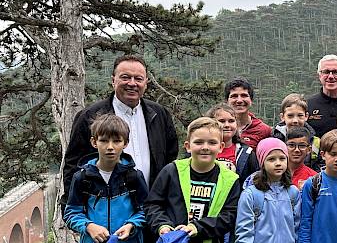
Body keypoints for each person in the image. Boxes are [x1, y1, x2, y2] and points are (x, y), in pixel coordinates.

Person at [63, 55, 178, 198]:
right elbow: (73, 165)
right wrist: (73, 211)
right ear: (113, 80)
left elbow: (170, 160)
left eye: (138, 79)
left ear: (146, 83)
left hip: (152, 208)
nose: (132, 83)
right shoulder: (90, 116)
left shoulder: (159, 114)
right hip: (104, 209)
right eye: (125, 77)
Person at [145, 117, 241, 243]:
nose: (205, 147)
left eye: (212, 143)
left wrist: (198, 227)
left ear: (221, 147)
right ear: (188, 146)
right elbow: (152, 204)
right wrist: (162, 225)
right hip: (172, 239)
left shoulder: (230, 180)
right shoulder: (171, 171)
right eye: (198, 142)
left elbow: (229, 215)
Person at [64, 114, 148, 243]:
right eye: (103, 140)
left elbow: (146, 210)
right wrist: (88, 226)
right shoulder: (82, 177)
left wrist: (131, 225)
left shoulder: (134, 176)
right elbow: (71, 213)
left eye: (116, 141)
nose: (110, 147)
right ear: (94, 142)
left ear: (125, 143)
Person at [235, 138, 301, 243]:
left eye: (282, 158)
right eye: (271, 159)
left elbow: (297, 227)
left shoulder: (293, 192)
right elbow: (244, 231)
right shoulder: (251, 194)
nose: (278, 163)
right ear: (262, 163)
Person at [206, 103, 259, 184]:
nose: (227, 125)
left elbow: (254, 182)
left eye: (231, 121)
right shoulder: (200, 150)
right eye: (222, 121)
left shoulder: (247, 153)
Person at [273, 94, 321, 170]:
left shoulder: (315, 143)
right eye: (290, 116)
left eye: (300, 115)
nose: (295, 120)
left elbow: (318, 168)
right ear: (282, 117)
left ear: (306, 116)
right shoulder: (274, 140)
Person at [225, 78, 272, 149]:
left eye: (244, 95)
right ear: (227, 101)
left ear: (251, 100)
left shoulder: (264, 131)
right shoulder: (218, 127)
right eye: (234, 96)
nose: (239, 100)